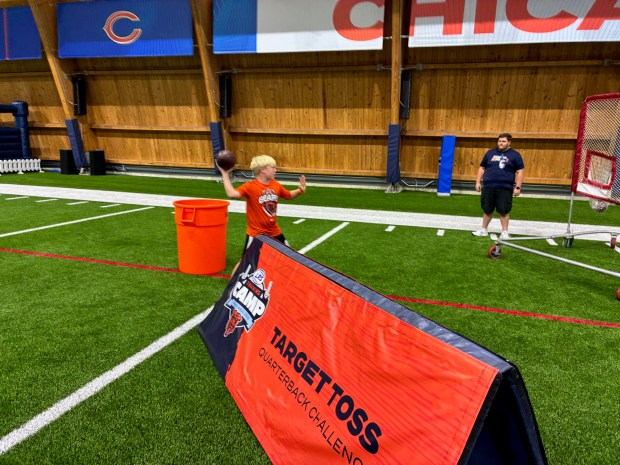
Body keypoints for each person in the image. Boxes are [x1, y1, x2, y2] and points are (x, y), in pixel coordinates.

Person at [217, 154, 306, 270]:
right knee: (244, 262)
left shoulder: (276, 185)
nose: (276, 170)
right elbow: (232, 194)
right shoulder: (250, 187)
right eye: (273, 167)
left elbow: (288, 195)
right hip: (256, 233)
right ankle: (233, 285)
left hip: (274, 230)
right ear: (263, 170)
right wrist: (225, 174)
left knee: (290, 255)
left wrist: (300, 190)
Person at [472, 133, 524, 240]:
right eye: (499, 141)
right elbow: (482, 168)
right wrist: (478, 182)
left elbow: (520, 171)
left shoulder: (515, 155)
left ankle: (504, 232)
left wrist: (518, 187)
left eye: (503, 141)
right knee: (487, 209)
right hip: (488, 186)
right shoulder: (490, 153)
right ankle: (483, 230)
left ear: (509, 142)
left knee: (503, 210)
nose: (501, 143)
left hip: (505, 187)